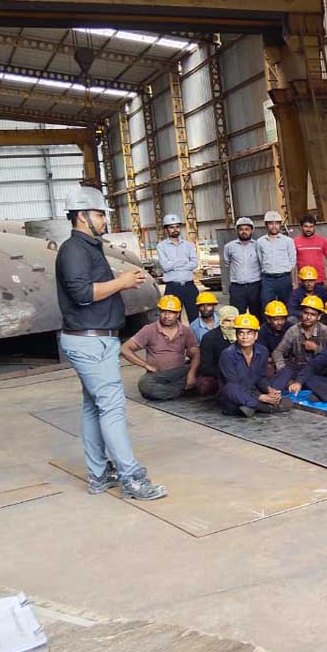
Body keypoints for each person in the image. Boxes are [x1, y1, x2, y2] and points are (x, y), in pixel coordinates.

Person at [55, 185, 165, 500]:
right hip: (90, 342)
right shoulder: (74, 250)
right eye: (100, 214)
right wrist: (121, 282)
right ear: (82, 216)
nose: (105, 220)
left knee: (94, 407)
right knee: (112, 408)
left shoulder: (88, 248)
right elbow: (82, 294)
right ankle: (132, 478)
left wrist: (120, 282)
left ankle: (99, 475)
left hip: (93, 340)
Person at [121, 295, 200, 401]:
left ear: (178, 314)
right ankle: (182, 391)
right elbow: (125, 349)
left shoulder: (186, 331)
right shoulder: (149, 330)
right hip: (158, 374)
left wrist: (192, 373)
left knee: (202, 372)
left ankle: (165, 392)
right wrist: (146, 365)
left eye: (171, 312)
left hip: (179, 372)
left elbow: (195, 353)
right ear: (159, 312)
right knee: (145, 384)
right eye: (164, 312)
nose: (166, 316)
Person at [218, 313, 289, 418]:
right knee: (230, 388)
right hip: (237, 393)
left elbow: (261, 378)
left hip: (253, 390)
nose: (245, 337)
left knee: (285, 372)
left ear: (256, 335)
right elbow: (234, 384)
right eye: (241, 333)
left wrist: (269, 390)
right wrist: (260, 397)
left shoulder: (263, 351)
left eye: (249, 333)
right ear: (236, 335)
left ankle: (251, 407)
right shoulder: (227, 354)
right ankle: (264, 407)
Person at [270, 295, 327, 389]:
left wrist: (316, 348)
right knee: (279, 380)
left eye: (313, 315)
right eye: (306, 313)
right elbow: (278, 352)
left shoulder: (325, 331)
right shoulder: (293, 330)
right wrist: (282, 370)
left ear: (319, 316)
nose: (308, 317)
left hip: (318, 371)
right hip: (297, 369)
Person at [156, 213, 199, 321]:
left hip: (189, 287)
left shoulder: (188, 245)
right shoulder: (161, 246)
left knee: (195, 318)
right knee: (173, 319)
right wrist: (183, 261)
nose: (175, 230)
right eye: (171, 227)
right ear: (166, 229)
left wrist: (173, 264)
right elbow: (165, 266)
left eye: (177, 227)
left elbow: (194, 263)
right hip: (172, 288)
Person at [224, 217, 262, 318]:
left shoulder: (258, 245)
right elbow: (227, 262)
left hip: (255, 287)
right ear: (237, 231)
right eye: (241, 229)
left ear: (252, 231)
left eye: (247, 229)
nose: (244, 232)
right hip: (237, 288)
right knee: (237, 316)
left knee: (257, 315)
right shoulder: (229, 247)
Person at [257, 210, 295, 309]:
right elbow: (260, 260)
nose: (274, 226)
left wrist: (292, 281)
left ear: (280, 225)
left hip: (284, 278)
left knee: (287, 304)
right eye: (271, 223)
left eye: (276, 223)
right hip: (268, 279)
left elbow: (292, 261)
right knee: (266, 305)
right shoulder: (260, 242)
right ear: (266, 225)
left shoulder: (288, 241)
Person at [197, 305, 238, 396]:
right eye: (227, 320)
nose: (231, 324)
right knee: (206, 385)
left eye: (234, 320)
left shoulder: (243, 335)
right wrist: (228, 373)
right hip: (218, 373)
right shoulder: (209, 338)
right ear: (220, 321)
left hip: (240, 372)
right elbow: (205, 367)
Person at [293, 214, 327, 287]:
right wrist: (294, 283)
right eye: (306, 226)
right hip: (303, 281)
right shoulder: (295, 242)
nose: (308, 229)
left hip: (320, 281)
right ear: (301, 227)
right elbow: (292, 264)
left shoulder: (323, 241)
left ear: (315, 227)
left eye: (311, 226)